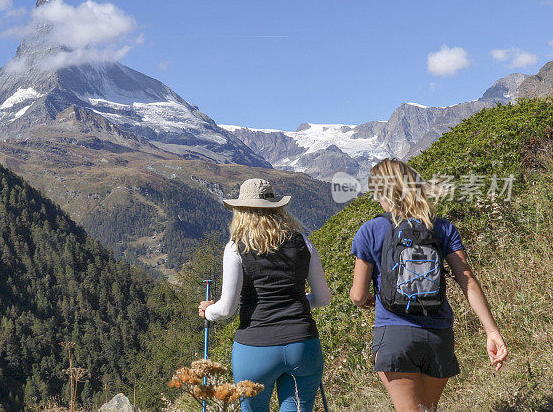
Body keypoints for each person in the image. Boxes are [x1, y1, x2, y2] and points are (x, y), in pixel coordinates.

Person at [349, 158, 508, 412]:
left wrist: (367, 298)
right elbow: (466, 278)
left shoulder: (371, 230)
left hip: (394, 335)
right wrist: (492, 330)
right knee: (428, 409)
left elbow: (357, 295)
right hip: (438, 334)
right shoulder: (442, 227)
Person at [198, 178, 332, 412]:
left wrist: (208, 310)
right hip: (302, 344)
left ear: (241, 211)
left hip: (255, 347)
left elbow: (227, 309)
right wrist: (299, 302)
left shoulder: (236, 247)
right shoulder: (303, 243)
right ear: (278, 208)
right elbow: (323, 299)